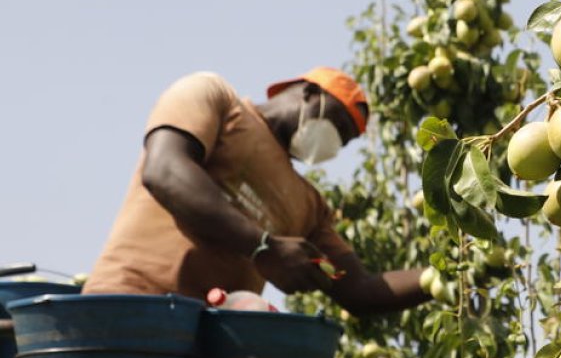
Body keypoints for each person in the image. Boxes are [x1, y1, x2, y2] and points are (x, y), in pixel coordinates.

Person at [82, 68, 429, 314]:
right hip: (128, 308)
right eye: (336, 124)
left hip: (210, 348)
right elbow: (165, 171)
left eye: (343, 141)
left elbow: (356, 288)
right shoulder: (214, 98)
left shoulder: (308, 208)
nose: (333, 142)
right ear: (309, 93)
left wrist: (444, 276)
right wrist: (263, 246)